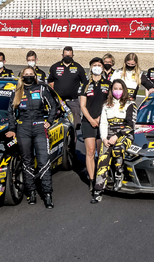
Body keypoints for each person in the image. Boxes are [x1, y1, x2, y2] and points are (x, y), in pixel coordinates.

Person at [6, 66, 61, 208]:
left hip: (39, 128)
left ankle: (47, 194)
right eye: (26, 74)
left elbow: (54, 107)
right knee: (27, 162)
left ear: (35, 76)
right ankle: (31, 192)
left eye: (31, 74)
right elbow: (10, 112)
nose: (29, 76)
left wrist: (49, 121)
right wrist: (12, 129)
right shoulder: (17, 92)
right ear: (22, 76)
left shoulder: (42, 89)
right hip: (23, 129)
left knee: (44, 161)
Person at [91, 79, 138, 203]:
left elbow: (130, 125)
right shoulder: (106, 104)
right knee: (102, 159)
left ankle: (119, 175)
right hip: (109, 134)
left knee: (117, 149)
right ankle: (98, 191)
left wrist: (117, 136)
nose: (118, 91)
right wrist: (104, 138)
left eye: (120, 88)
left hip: (125, 134)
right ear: (111, 90)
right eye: (115, 88)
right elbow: (103, 123)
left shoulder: (130, 104)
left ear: (124, 90)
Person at [79, 58, 112, 188]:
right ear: (91, 67)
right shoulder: (85, 84)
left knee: (102, 152)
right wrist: (91, 120)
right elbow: (82, 105)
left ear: (103, 68)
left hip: (103, 121)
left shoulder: (108, 84)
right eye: (94, 65)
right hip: (88, 121)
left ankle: (101, 177)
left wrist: (99, 118)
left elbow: (109, 103)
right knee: (90, 151)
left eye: (99, 65)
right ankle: (92, 180)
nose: (97, 67)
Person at [48, 46, 87, 128]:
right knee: (57, 125)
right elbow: (50, 81)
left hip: (73, 102)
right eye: (66, 55)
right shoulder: (55, 67)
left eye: (69, 56)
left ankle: (74, 140)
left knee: (75, 126)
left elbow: (85, 83)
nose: (67, 57)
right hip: (58, 102)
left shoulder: (78, 67)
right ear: (62, 55)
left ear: (73, 56)